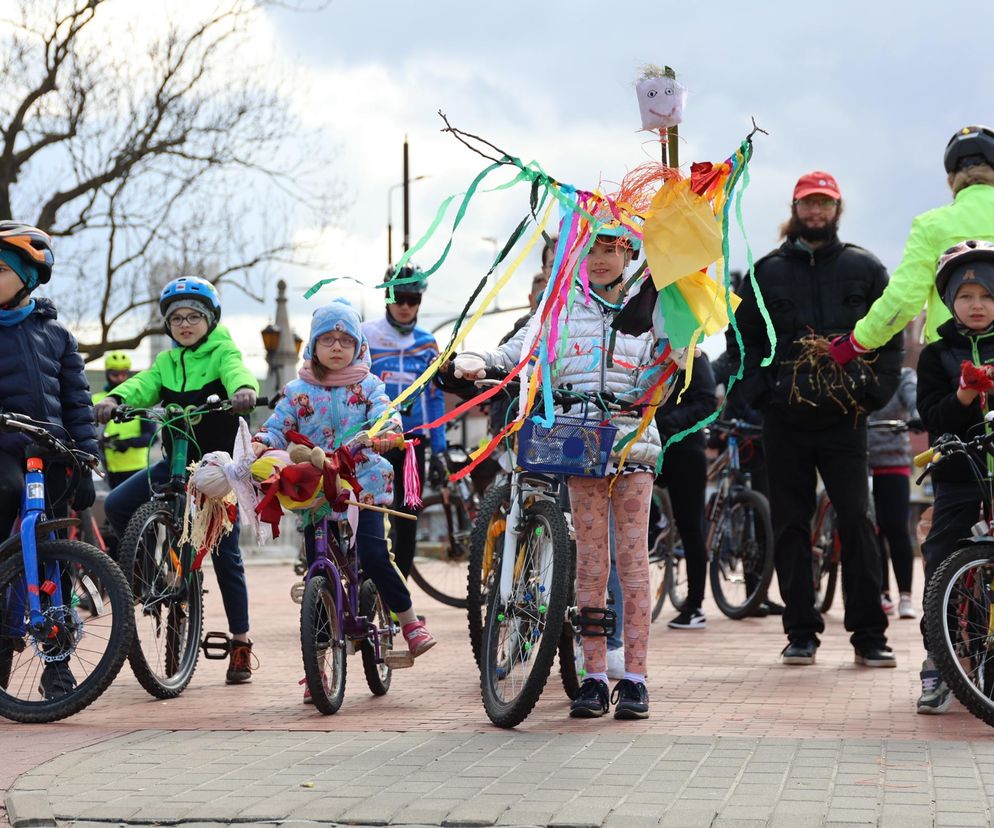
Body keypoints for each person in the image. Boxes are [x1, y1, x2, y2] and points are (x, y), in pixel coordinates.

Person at [453, 228, 678, 720]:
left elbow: (671, 356)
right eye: (590, 249)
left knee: (632, 562)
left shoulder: (656, 298)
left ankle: (635, 679)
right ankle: (594, 678)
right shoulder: (559, 304)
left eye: (610, 249)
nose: (598, 259)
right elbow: (521, 349)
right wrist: (482, 359)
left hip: (633, 442)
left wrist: (676, 358)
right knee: (592, 563)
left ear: (629, 252)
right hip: (580, 445)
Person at [734, 171, 903, 667]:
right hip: (784, 419)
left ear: (837, 209)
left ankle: (870, 634)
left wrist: (875, 392)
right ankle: (801, 631)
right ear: (794, 206)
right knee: (789, 525)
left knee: (857, 521)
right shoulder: (764, 273)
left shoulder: (865, 268)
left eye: (824, 204)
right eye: (808, 203)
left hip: (845, 420)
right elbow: (743, 340)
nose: (815, 212)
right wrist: (760, 395)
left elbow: (891, 332)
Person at [253, 298, 436, 694]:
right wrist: (261, 443)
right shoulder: (298, 390)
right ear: (313, 346)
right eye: (327, 339)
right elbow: (277, 426)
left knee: (373, 553)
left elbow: (387, 414)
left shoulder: (368, 384)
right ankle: (317, 667)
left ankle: (409, 622)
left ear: (358, 346)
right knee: (318, 570)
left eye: (345, 339)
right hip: (316, 491)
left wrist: (386, 432)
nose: (337, 347)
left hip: (362, 487)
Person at [93, 276, 260, 685]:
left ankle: (240, 642)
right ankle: (147, 573)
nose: (185, 325)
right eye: (177, 319)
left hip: (217, 474)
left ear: (209, 319)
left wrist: (242, 390)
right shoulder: (167, 362)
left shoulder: (222, 349)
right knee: (116, 504)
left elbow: (238, 370)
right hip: (175, 464)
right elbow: (143, 385)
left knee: (225, 553)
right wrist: (115, 401)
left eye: (193, 317)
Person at [0, 221, 98, 700]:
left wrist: (86, 459)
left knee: (53, 553)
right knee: (6, 506)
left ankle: (58, 667)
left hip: (51, 455)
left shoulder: (56, 335)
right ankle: (2, 644)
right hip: (3, 450)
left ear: (29, 275)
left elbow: (77, 403)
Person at [831, 125, 994, 365]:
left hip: (952, 368)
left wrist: (857, 341)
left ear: (952, 180)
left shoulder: (931, 225)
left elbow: (904, 300)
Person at [914, 239, 994, 714]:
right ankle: (938, 659)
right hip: (960, 475)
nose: (977, 304)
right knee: (943, 558)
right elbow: (934, 419)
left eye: (986, 295)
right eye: (966, 297)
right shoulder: (935, 355)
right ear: (949, 301)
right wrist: (964, 393)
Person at [363, 265, 447, 580]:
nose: (405, 306)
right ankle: (367, 589)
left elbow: (436, 398)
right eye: (399, 297)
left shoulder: (427, 343)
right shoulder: (368, 334)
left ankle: (399, 600)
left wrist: (439, 449)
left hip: (413, 443)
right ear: (387, 296)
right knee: (372, 515)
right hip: (376, 438)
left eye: (413, 300)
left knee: (407, 518)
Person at [655, 351, 717, 630]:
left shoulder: (693, 352)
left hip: (684, 448)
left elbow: (706, 403)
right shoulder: (643, 344)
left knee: (691, 527)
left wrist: (668, 422)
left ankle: (694, 606)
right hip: (647, 447)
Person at [867, 366, 919, 620]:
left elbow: (913, 396)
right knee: (871, 529)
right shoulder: (858, 370)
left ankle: (906, 596)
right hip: (861, 462)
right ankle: (880, 592)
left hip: (893, 461)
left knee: (897, 528)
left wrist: (916, 413)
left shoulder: (903, 375)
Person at [93, 351, 155, 489]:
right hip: (105, 467)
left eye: (124, 374)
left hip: (136, 469)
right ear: (107, 375)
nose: (120, 379)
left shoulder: (139, 401)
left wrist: (125, 443)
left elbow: (151, 437)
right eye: (115, 375)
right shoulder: (97, 400)